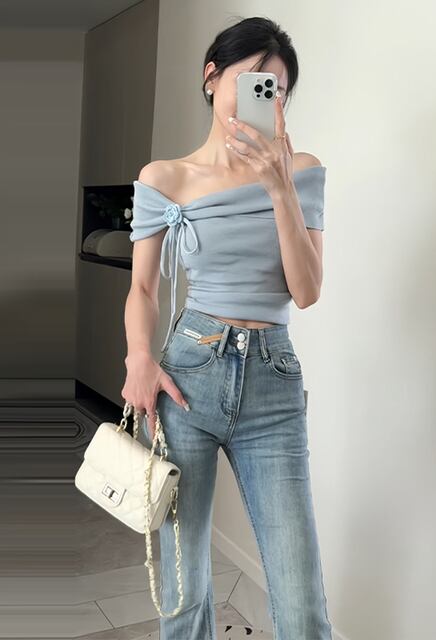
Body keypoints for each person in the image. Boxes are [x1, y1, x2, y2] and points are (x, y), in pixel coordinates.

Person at [122, 15, 333, 640]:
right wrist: (139, 357)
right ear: (212, 77)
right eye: (253, 81)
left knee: (301, 605)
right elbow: (142, 288)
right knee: (183, 594)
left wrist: (279, 187)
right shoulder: (166, 178)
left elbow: (307, 291)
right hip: (188, 377)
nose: (265, 98)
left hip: (273, 383)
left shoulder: (301, 170)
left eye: (277, 90)